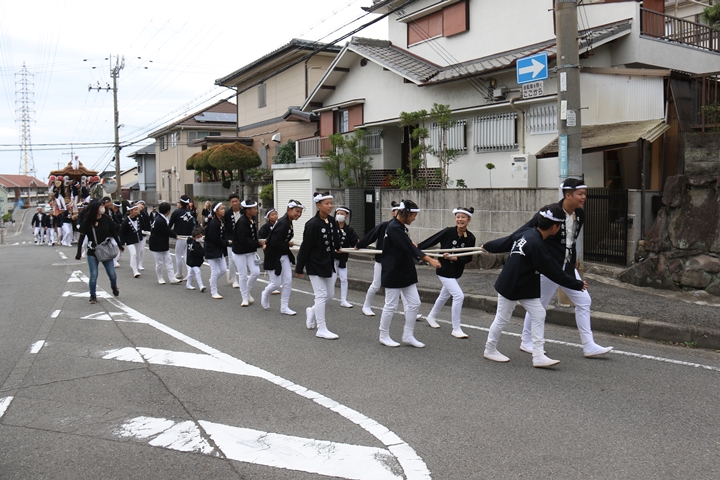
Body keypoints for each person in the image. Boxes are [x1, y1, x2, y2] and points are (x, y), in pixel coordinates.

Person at [482, 204, 588, 368]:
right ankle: (490, 349)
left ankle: (538, 355)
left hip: (525, 284)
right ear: (554, 227)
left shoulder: (526, 232)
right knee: (502, 318)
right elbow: (554, 272)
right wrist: (577, 284)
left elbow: (506, 241)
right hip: (511, 284)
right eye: (559, 226)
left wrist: (488, 245)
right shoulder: (537, 245)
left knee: (538, 313)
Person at [518, 178, 613, 358]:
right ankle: (526, 340)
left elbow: (572, 240)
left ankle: (589, 345)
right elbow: (527, 230)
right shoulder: (550, 212)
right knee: (539, 305)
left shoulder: (580, 214)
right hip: (548, 267)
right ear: (568, 195)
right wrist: (506, 245)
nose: (584, 197)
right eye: (580, 194)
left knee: (584, 301)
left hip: (567, 267)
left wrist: (573, 259)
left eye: (584, 194)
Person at [378, 200, 441, 348]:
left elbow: (407, 245)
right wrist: (430, 259)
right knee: (391, 305)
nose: (414, 219)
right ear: (406, 213)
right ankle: (383, 335)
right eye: (413, 215)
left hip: (405, 270)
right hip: (393, 271)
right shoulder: (393, 227)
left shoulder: (401, 227)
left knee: (414, 303)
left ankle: (408, 334)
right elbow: (409, 248)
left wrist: (411, 244)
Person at [417, 207, 477, 338]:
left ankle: (431, 316)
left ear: (469, 219)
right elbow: (432, 240)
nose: (460, 219)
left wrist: (455, 258)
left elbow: (468, 258)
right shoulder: (448, 231)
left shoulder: (471, 237)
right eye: (458, 217)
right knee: (459, 296)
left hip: (457, 271)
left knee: (444, 295)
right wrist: (416, 249)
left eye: (463, 217)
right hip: (443, 269)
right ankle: (456, 328)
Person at [296, 192, 342, 339]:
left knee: (330, 295)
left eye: (331, 203)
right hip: (315, 264)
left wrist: (338, 247)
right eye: (327, 203)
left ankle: (312, 311)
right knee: (321, 295)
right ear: (318, 205)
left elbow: (335, 239)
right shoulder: (312, 224)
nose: (330, 206)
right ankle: (321, 328)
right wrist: (299, 267)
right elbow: (305, 247)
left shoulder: (332, 221)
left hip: (328, 263)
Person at [355, 201, 402, 316]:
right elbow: (371, 235)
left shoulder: (403, 228)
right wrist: (360, 245)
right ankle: (366, 306)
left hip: (395, 262)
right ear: (393, 213)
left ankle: (410, 310)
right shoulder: (384, 225)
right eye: (398, 211)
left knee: (402, 286)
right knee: (376, 285)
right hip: (381, 260)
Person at [74, 199, 123, 304]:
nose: (103, 208)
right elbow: (81, 238)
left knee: (112, 273)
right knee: (94, 275)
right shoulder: (87, 222)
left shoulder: (106, 219)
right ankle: (93, 295)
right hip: (93, 251)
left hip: (105, 250)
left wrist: (120, 245)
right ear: (96, 208)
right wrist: (79, 252)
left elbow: (113, 232)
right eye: (101, 206)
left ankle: (114, 286)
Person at [261, 199, 304, 315]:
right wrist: (288, 244)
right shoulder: (283, 223)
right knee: (276, 283)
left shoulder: (288, 222)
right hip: (273, 256)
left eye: (300, 212)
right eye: (297, 211)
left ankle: (284, 307)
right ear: (289, 209)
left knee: (288, 281)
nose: (299, 214)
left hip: (283, 254)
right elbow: (275, 242)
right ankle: (265, 293)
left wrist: (286, 245)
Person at [231, 199, 265, 306]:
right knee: (243, 275)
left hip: (249, 251)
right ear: (247, 210)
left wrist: (258, 242)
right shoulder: (242, 222)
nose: (256, 211)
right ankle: (244, 298)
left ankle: (247, 291)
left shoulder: (252, 219)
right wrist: (258, 244)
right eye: (254, 209)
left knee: (256, 272)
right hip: (239, 252)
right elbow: (243, 239)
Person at [332, 205, 359, 308]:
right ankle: (326, 297)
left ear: (346, 216)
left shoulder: (349, 230)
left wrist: (358, 244)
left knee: (344, 279)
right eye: (338, 213)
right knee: (332, 278)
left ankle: (343, 300)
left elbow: (355, 242)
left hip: (343, 258)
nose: (339, 215)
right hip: (332, 257)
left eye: (342, 214)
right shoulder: (331, 227)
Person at [149, 202, 180, 285]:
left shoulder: (161, 218)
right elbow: (167, 231)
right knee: (159, 262)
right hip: (156, 244)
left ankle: (172, 278)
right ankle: (160, 277)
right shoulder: (160, 220)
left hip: (163, 243)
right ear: (168, 211)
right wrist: (175, 235)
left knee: (169, 260)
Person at [205, 201, 231, 299]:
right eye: (222, 209)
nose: (224, 210)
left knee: (223, 269)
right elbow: (214, 239)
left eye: (223, 208)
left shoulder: (221, 221)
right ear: (216, 211)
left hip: (219, 249)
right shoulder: (213, 223)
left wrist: (226, 241)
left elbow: (222, 235)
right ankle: (214, 291)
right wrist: (226, 242)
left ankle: (212, 280)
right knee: (215, 271)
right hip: (211, 249)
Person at [169, 195, 196, 281]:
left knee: (178, 255)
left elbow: (170, 224)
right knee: (186, 255)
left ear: (180, 202)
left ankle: (179, 272)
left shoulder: (176, 212)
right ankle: (189, 273)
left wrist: (170, 233)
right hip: (189, 236)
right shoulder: (191, 212)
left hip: (180, 236)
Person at [259, 207, 281, 296]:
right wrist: (263, 244)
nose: (275, 216)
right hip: (268, 249)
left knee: (276, 265)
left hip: (277, 248)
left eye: (276, 214)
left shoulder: (279, 225)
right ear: (268, 217)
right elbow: (260, 237)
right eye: (272, 215)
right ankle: (272, 285)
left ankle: (271, 284)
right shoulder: (265, 227)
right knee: (271, 265)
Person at [119, 203, 144, 278]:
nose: (136, 211)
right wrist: (122, 243)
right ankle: (135, 271)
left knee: (138, 254)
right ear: (130, 211)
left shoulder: (139, 217)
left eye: (137, 210)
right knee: (133, 254)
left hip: (138, 239)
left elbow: (142, 226)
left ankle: (133, 265)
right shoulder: (126, 221)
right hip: (129, 241)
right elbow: (121, 232)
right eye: (135, 210)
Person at [223, 193, 242, 288]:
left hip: (242, 238)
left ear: (239, 201)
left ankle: (240, 278)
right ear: (230, 203)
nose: (235, 203)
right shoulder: (227, 213)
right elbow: (224, 227)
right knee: (231, 260)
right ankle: (234, 279)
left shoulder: (244, 212)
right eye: (232, 202)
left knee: (241, 259)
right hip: (230, 238)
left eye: (236, 201)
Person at [186, 227, 206, 292]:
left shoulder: (190, 241)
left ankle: (188, 284)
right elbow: (202, 252)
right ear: (194, 237)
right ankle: (201, 286)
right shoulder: (196, 245)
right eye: (198, 237)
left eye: (201, 236)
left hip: (190, 260)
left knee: (191, 273)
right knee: (197, 272)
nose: (200, 238)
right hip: (194, 261)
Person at [136, 200, 150, 271]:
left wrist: (148, 231)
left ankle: (140, 264)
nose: (142, 206)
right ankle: (135, 263)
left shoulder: (145, 214)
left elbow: (147, 223)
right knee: (136, 251)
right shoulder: (133, 212)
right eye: (140, 204)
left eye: (143, 205)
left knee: (142, 250)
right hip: (135, 234)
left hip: (143, 234)